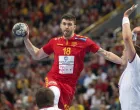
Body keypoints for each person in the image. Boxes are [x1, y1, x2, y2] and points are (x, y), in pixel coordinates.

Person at [23, 13, 123, 109]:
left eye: (69, 24)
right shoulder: (54, 42)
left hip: (69, 85)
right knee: (53, 93)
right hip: (54, 78)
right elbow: (36, 55)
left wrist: (122, 62)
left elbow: (105, 53)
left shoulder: (84, 41)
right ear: (60, 26)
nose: (66, 26)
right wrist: (26, 39)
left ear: (74, 27)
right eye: (64, 24)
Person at [119, 4, 140, 110]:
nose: (122, 52)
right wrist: (134, 34)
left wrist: (125, 17)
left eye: (125, 50)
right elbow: (131, 41)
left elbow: (127, 39)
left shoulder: (136, 65)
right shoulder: (130, 70)